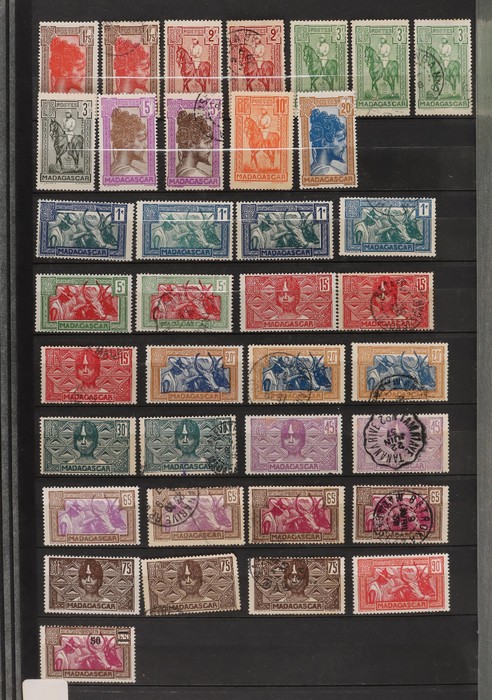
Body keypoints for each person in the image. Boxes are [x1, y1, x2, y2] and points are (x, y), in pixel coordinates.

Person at [175, 110, 213, 178]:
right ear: (191, 145)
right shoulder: (198, 176)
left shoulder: (178, 171)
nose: (211, 147)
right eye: (207, 143)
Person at [309, 108, 347, 176]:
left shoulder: (311, 170)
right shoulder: (332, 174)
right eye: (340, 140)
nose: (344, 145)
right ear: (324, 143)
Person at [110, 108, 147, 176]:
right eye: (141, 140)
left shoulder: (112, 169)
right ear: (126, 143)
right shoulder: (130, 174)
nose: (145, 145)